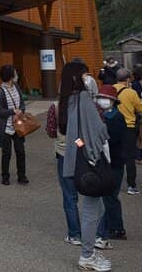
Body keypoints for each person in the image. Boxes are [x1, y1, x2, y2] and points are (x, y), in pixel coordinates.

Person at [63, 64, 113, 271]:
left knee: (95, 208)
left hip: (79, 159)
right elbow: (98, 130)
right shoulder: (82, 99)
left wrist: (81, 147)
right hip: (91, 161)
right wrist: (89, 151)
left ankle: (89, 251)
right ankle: (87, 255)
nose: (88, 79)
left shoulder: (67, 99)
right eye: (85, 75)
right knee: (92, 210)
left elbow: (73, 136)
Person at [55, 62, 87, 246]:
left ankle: (74, 234)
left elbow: (52, 130)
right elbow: (92, 131)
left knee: (69, 196)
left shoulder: (57, 104)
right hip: (84, 154)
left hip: (63, 153)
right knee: (92, 196)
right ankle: (98, 234)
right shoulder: (86, 101)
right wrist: (80, 143)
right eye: (84, 75)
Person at [94, 85, 126, 248]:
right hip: (109, 162)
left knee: (110, 196)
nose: (102, 101)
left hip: (115, 162)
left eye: (106, 98)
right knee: (108, 196)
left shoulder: (115, 118)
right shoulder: (105, 115)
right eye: (100, 97)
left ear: (113, 101)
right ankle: (111, 227)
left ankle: (116, 228)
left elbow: (110, 140)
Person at [112, 68, 142, 195]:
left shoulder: (111, 89)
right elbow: (141, 108)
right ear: (127, 80)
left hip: (113, 126)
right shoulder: (131, 93)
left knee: (114, 154)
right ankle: (131, 185)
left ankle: (113, 182)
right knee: (129, 157)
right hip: (128, 126)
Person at [0, 64, 27, 186]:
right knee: (6, 153)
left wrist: (21, 111)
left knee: (20, 151)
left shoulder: (16, 87)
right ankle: (5, 176)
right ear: (10, 76)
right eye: (14, 73)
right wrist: (13, 111)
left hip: (18, 125)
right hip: (6, 127)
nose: (16, 75)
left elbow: (22, 103)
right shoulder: (0, 92)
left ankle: (22, 175)